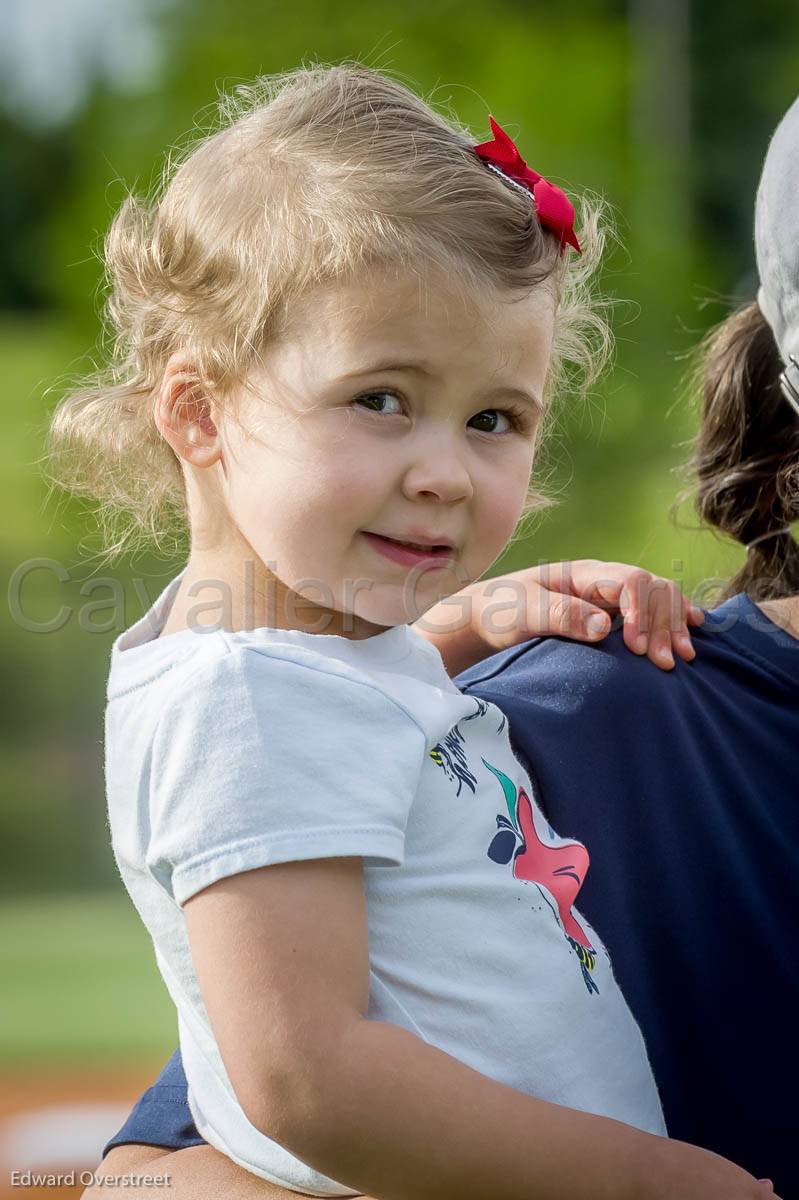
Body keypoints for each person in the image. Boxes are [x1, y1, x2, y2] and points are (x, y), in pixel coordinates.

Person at [48, 64, 776, 1200]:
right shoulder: (236, 702)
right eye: (381, 398)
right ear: (198, 411)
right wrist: (643, 1179)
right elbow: (308, 1077)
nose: (442, 472)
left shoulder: (300, 664)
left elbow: (351, 733)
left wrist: (460, 625)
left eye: (494, 419)